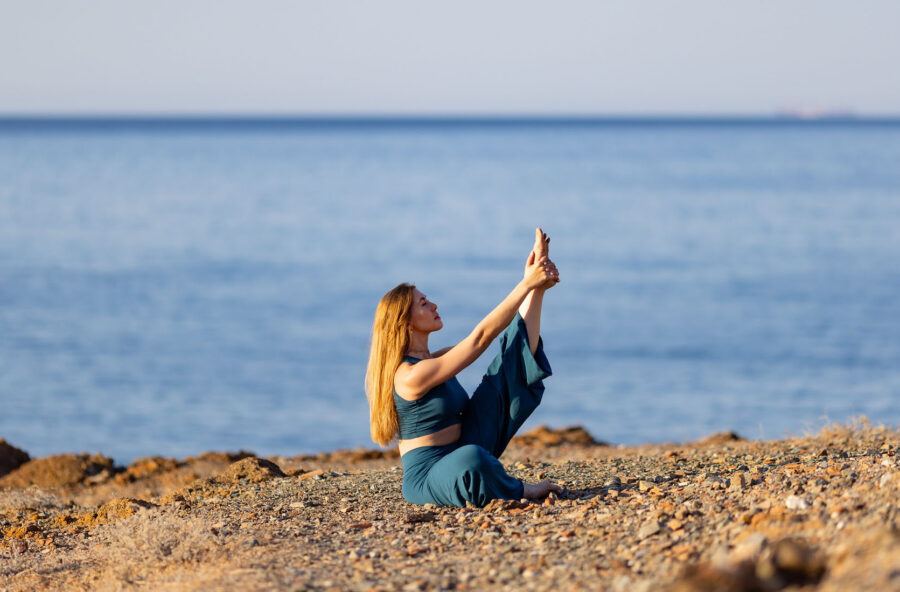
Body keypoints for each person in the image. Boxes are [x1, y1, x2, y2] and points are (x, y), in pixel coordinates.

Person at [365, 228, 563, 507]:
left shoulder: (432, 360)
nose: (434, 305)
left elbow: (489, 342)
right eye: (423, 303)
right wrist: (524, 285)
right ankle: (522, 490)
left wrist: (535, 287)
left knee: (504, 369)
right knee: (473, 459)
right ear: (406, 323)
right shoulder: (409, 376)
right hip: (430, 475)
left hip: (464, 448)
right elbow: (479, 339)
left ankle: (538, 291)